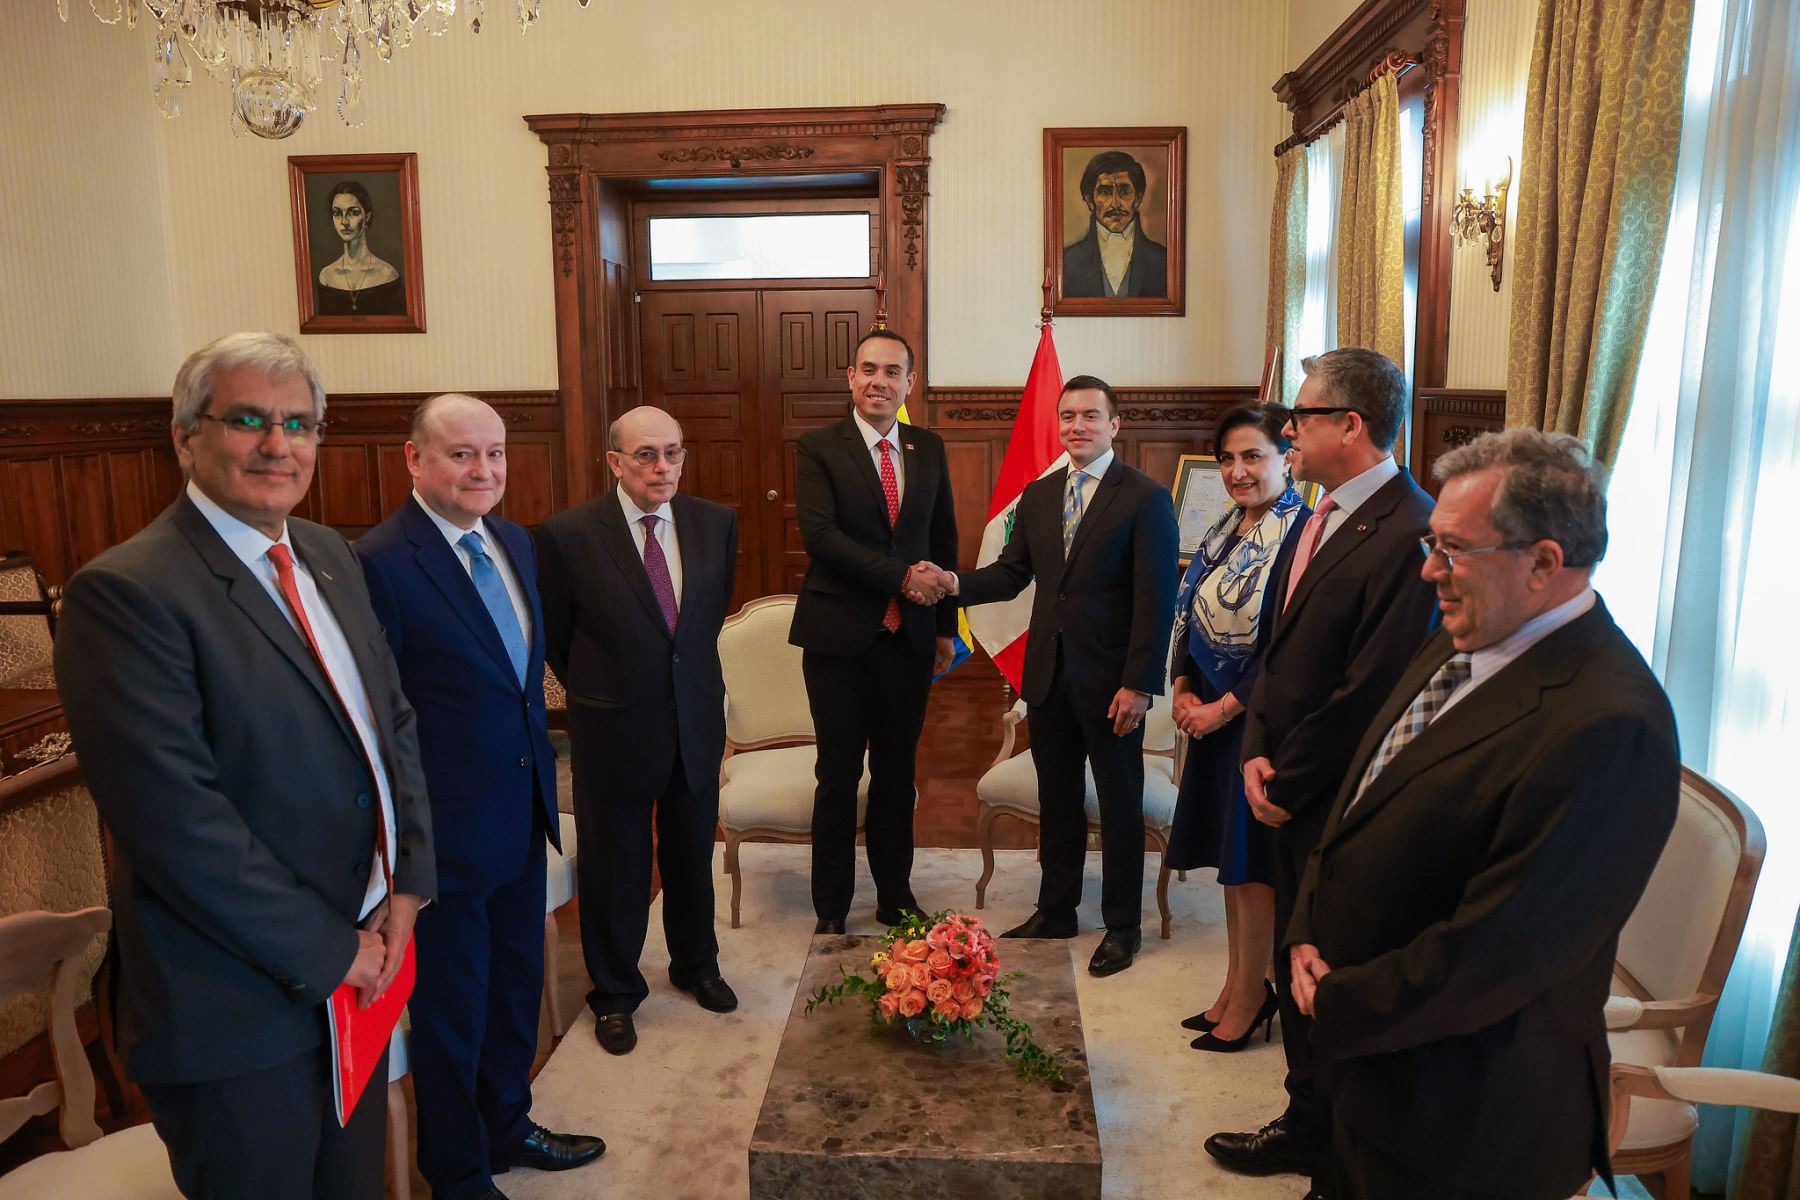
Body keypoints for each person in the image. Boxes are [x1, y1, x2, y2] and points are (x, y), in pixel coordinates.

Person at [52, 332, 434, 1200]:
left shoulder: (329, 555)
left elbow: (393, 724)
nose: (278, 445)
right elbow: (178, 826)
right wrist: (332, 951)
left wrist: (409, 881)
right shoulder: (126, 593)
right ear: (186, 437)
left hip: (361, 968)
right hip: (236, 1008)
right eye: (248, 420)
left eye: (299, 424)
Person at [1288, 429, 1679, 1200]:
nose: (1428, 569)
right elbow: (1363, 800)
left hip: (1464, 1118)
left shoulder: (1610, 724)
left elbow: (1500, 953)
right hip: (1369, 1072)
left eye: (1454, 549)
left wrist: (1336, 1002)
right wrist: (1306, 927)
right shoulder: (1466, 631)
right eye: (1431, 543)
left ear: (1543, 563)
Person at [355, 395, 604, 1200]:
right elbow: (378, 716)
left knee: (513, 989)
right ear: (414, 458)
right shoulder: (380, 562)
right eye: (462, 454)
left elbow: (519, 683)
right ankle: (458, 1173)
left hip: (521, 813)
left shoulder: (515, 541)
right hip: (444, 836)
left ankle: (507, 1126)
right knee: (454, 1012)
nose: (484, 470)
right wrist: (406, 846)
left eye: (495, 454)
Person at [1204, 348, 1439, 1193]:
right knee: (1291, 955)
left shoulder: (1412, 529)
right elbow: (1280, 648)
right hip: (1282, 774)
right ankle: (1305, 1123)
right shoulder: (1318, 513)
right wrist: (1254, 746)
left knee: (1325, 973)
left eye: (1299, 417)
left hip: (1338, 797)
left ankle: (1339, 1155)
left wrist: (1286, 777)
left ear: (1351, 424)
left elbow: (1370, 687)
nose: (1288, 430)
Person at [925, 375, 1178, 976]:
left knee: (1119, 805)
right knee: (1058, 799)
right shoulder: (1039, 496)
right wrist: (953, 583)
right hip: (1048, 678)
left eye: (1091, 416)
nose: (1077, 426)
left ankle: (1122, 926)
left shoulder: (1144, 497)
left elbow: (1156, 599)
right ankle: (1057, 910)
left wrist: (1140, 684)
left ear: (1115, 425)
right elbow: (1011, 574)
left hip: (1114, 685)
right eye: (1067, 416)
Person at [537, 405, 740, 1057]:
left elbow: (701, 626)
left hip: (694, 720)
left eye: (673, 452)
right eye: (646, 454)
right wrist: (605, 690)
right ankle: (616, 992)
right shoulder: (568, 535)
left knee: (691, 855)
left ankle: (696, 965)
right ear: (615, 462)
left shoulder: (715, 523)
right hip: (613, 725)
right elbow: (558, 638)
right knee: (615, 864)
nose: (662, 467)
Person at [788, 328, 959, 935]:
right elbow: (822, 539)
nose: (878, 382)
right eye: (868, 369)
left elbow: (942, 537)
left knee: (896, 775)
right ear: (850, 377)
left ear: (909, 383)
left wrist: (944, 628)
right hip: (838, 639)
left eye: (892, 372)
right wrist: (903, 576)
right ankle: (831, 908)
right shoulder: (818, 447)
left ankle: (895, 897)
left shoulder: (927, 447)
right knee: (837, 776)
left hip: (908, 641)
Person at [1167, 402, 1308, 1052]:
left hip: (1258, 725)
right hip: (1214, 719)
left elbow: (1286, 647)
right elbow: (1189, 608)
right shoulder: (1226, 528)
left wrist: (1222, 708)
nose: (1237, 471)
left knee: (1254, 869)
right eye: (1226, 459)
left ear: (1287, 458)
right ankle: (1236, 984)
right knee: (1231, 865)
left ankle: (1254, 995)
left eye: (1253, 456)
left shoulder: (1300, 533)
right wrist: (1182, 685)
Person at [1061, 150, 1169, 298]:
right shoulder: (1067, 262)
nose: (1115, 203)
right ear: (1090, 201)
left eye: (1124, 191)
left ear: (1137, 198)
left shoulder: (1163, 260)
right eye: (1105, 192)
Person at [315, 180, 404, 317]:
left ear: (367, 216)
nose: (344, 222)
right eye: (337, 213)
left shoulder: (387, 275)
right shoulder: (326, 276)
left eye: (353, 212)